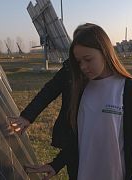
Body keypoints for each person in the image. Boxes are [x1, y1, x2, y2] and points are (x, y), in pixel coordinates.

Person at [25, 23, 132, 180]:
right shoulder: (82, 87)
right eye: (79, 62)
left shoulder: (129, 88)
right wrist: (56, 165)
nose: (83, 67)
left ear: (105, 52)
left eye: (88, 59)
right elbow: (78, 138)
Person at [9, 24, 96, 179]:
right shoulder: (69, 69)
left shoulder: (114, 85)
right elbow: (49, 91)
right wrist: (27, 116)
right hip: (73, 140)